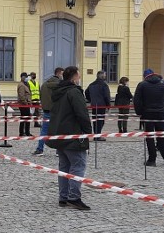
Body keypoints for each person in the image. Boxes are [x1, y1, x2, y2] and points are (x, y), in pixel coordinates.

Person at [46, 66, 92, 210]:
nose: (79, 78)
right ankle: (74, 197)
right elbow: (82, 114)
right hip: (73, 135)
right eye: (78, 75)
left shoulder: (58, 92)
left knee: (64, 167)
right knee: (78, 166)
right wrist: (88, 131)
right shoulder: (74, 92)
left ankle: (63, 197)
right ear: (73, 77)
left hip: (60, 134)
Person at [133, 69, 164, 166]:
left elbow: (137, 100)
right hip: (160, 112)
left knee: (150, 137)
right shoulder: (163, 85)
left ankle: (152, 159)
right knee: (161, 135)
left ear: (145, 76)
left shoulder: (142, 85)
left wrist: (139, 112)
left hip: (147, 113)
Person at [34, 67, 63, 155]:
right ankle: (59, 151)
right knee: (59, 131)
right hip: (57, 111)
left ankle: (40, 149)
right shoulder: (60, 85)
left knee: (44, 131)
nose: (63, 76)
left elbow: (41, 97)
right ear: (58, 74)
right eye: (62, 74)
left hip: (46, 110)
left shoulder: (44, 84)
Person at [85, 70, 111, 140]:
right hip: (101, 105)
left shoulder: (91, 84)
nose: (105, 76)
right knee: (100, 121)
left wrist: (91, 100)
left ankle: (96, 134)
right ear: (102, 76)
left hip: (94, 105)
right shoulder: (104, 85)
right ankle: (98, 135)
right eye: (105, 75)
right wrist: (108, 106)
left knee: (95, 121)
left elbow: (86, 92)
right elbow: (106, 96)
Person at [16, 72, 33, 136]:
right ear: (22, 77)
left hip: (25, 104)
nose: (27, 78)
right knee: (24, 118)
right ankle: (24, 132)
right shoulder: (21, 85)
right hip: (23, 104)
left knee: (26, 118)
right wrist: (26, 103)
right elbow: (21, 95)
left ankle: (25, 132)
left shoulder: (25, 84)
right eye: (26, 77)